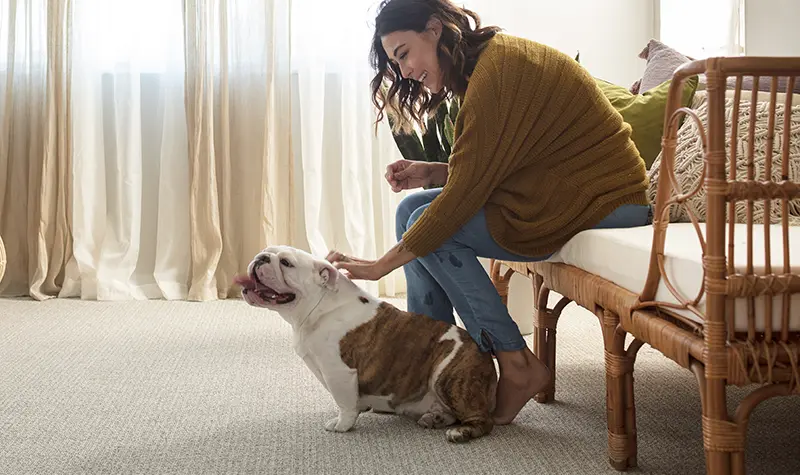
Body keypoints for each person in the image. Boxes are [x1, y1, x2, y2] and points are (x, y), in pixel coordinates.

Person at [325, 0, 651, 425]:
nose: (404, 72)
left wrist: (378, 267)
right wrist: (435, 171)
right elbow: (503, 165)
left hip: (603, 199)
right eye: (396, 63)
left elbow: (462, 198)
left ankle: (516, 363)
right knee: (411, 208)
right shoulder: (490, 64)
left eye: (404, 54)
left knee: (431, 226)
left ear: (434, 29)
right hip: (560, 188)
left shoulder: (496, 74)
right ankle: (429, 363)